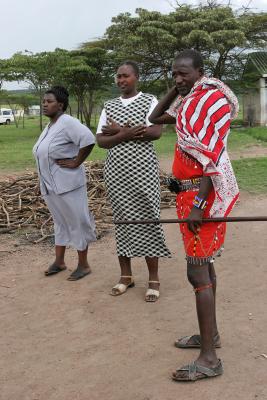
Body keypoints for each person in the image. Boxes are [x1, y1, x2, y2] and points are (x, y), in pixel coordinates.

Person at [149, 49, 239, 381]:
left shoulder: (205, 106)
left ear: (201, 71)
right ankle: (209, 336)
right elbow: (156, 117)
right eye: (174, 73)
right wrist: (178, 89)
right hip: (188, 196)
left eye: (184, 73)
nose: (178, 78)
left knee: (197, 274)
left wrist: (199, 206)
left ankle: (209, 359)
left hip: (200, 198)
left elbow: (211, 158)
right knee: (205, 266)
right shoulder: (189, 105)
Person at [96, 61, 171, 302]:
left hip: (143, 172)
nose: (120, 80)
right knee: (123, 221)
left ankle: (153, 279)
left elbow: (155, 132)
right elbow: (101, 141)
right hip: (116, 173)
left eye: (125, 76)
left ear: (136, 77)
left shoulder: (149, 101)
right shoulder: (108, 106)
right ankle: (126, 276)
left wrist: (117, 132)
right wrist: (128, 132)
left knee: (149, 219)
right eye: (118, 77)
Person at [33, 86, 96, 281]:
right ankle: (59, 261)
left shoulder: (68, 122)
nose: (45, 104)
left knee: (76, 222)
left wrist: (77, 161)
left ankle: (84, 265)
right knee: (60, 223)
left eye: (49, 101)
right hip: (51, 186)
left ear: (60, 105)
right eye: (43, 101)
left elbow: (88, 139)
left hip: (68, 185)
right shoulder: (51, 125)